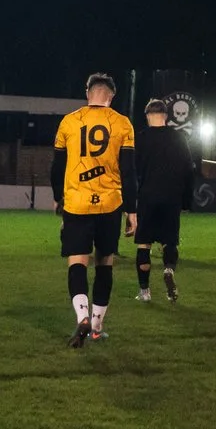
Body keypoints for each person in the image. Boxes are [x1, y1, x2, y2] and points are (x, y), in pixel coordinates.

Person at [51, 72, 132, 347]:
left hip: (76, 203)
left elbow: (57, 166)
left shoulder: (69, 122)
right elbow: (129, 171)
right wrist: (132, 211)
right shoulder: (122, 124)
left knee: (77, 262)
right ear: (112, 96)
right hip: (110, 203)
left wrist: (57, 197)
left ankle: (81, 317)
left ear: (88, 92)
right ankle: (97, 326)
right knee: (105, 263)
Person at [131, 97, 198, 302]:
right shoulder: (179, 138)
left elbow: (133, 171)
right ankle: (169, 270)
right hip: (171, 198)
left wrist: (130, 203)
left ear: (147, 116)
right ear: (167, 117)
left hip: (148, 197)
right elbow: (189, 170)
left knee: (144, 244)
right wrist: (186, 201)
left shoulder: (140, 138)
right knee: (170, 242)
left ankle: (145, 291)